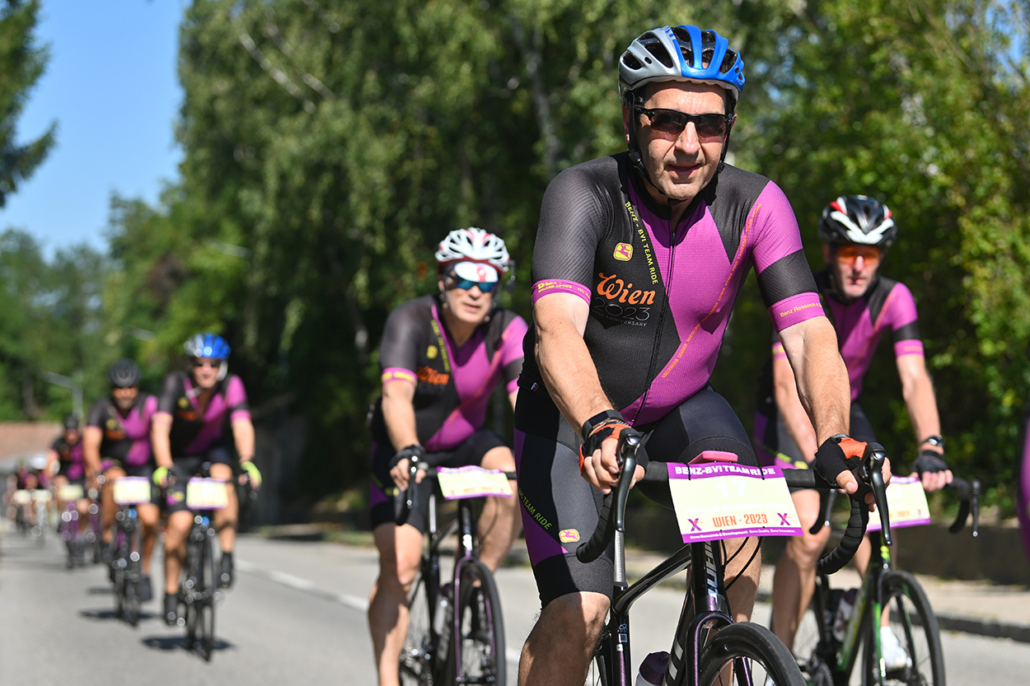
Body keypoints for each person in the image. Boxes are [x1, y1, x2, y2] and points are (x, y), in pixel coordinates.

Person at [514, 25, 888, 686]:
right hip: (571, 422)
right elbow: (555, 330)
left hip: (684, 412)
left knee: (740, 551)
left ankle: (700, 661)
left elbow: (810, 334)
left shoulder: (757, 205)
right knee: (582, 614)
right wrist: (597, 420)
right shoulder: (584, 193)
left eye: (710, 125)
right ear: (631, 120)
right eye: (667, 120)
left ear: (729, 127)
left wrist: (833, 435)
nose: (689, 145)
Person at [754, 195, 951, 667]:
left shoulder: (895, 298)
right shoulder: (803, 290)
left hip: (846, 407)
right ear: (828, 252)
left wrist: (931, 445)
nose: (859, 266)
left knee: (877, 505)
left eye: (871, 254)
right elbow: (786, 385)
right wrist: (823, 455)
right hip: (787, 412)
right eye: (848, 253)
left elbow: (914, 377)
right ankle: (781, 661)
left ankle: (880, 629)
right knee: (810, 534)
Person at [366, 227, 526, 686]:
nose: (475, 290)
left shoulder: (507, 328)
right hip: (403, 450)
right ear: (443, 279)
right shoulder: (411, 319)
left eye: (488, 280)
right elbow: (396, 395)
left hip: (465, 445)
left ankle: (472, 585)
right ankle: (388, 679)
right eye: (464, 277)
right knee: (400, 568)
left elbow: (526, 400)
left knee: (512, 474)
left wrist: (550, 452)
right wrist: (408, 449)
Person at [151, 333, 262, 626]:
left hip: (213, 452)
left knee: (225, 480)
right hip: (178, 458)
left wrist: (247, 461)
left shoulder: (231, 385)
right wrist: (164, 466)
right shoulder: (176, 384)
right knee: (180, 524)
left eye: (213, 364)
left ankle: (226, 555)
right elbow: (160, 427)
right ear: (190, 365)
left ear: (222, 367)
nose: (206, 370)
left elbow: (242, 424)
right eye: (199, 364)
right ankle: (171, 593)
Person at [83, 359, 160, 601]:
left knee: (150, 520)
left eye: (130, 387)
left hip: (143, 468)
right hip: (112, 464)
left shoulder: (150, 405)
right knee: (114, 479)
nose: (125, 393)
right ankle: (107, 536)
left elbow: (161, 434)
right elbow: (90, 443)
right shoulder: (101, 408)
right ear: (112, 388)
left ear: (138, 387)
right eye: (119, 388)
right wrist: (95, 470)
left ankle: (145, 571)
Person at [47, 414, 90, 531]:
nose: (71, 436)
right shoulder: (59, 443)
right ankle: (61, 516)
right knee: (59, 489)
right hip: (64, 477)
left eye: (73, 433)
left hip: (82, 479)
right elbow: (51, 461)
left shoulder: (84, 442)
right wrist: (51, 477)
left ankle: (81, 532)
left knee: (84, 508)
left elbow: (90, 460)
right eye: (68, 433)